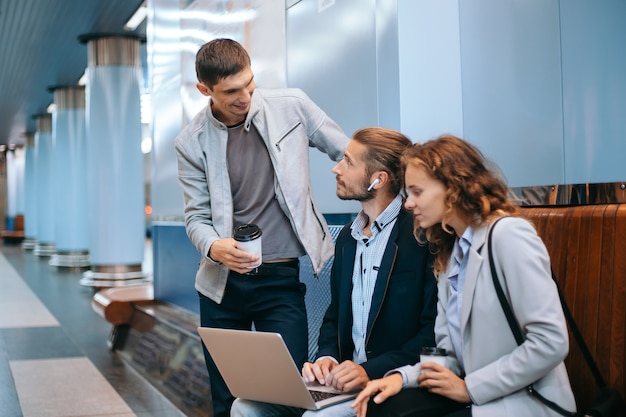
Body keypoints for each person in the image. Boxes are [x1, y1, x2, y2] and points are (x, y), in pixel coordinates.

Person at [174, 38, 350, 417]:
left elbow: (349, 153)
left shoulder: (292, 105)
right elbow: (196, 218)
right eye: (232, 91)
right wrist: (213, 247)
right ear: (205, 90)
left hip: (280, 280)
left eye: (249, 84)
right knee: (227, 401)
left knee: (290, 395)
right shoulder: (190, 142)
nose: (245, 97)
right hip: (220, 288)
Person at [352, 134, 576, 417]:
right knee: (381, 405)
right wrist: (400, 378)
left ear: (453, 188)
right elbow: (449, 357)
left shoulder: (508, 236)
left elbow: (550, 342)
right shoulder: (451, 252)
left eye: (417, 192)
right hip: (480, 396)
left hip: (526, 401)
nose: (408, 204)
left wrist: (470, 388)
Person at [231, 127, 438, 417]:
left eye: (349, 162)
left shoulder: (420, 237)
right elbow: (333, 316)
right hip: (342, 382)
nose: (336, 168)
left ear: (378, 180)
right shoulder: (346, 239)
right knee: (246, 407)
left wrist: (368, 370)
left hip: (390, 379)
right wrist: (326, 357)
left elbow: (431, 335)